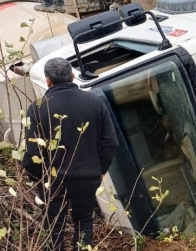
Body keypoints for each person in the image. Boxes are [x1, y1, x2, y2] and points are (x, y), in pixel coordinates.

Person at [22, 57, 118, 251]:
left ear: (48, 80)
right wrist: (99, 170)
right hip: (87, 176)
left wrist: (38, 177)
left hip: (53, 180)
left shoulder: (38, 107)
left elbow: (32, 152)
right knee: (84, 222)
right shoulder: (95, 101)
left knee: (53, 227)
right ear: (73, 76)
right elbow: (110, 142)